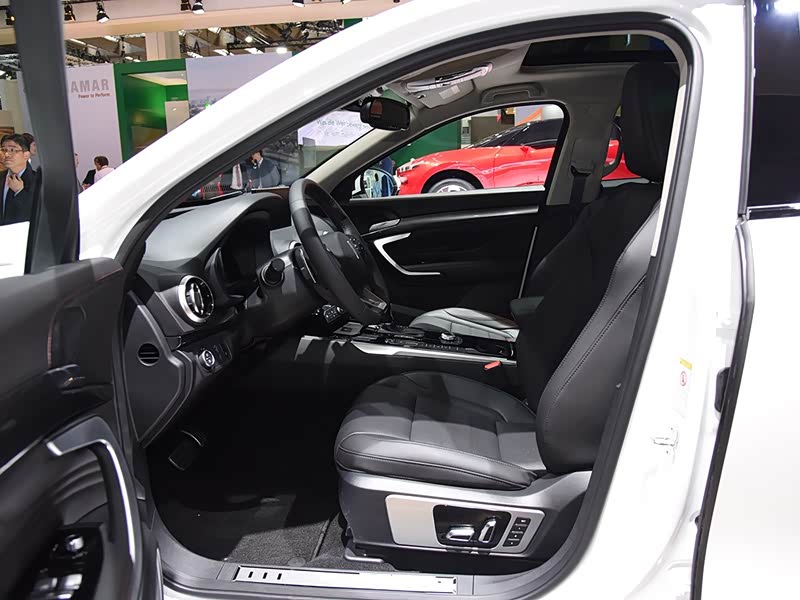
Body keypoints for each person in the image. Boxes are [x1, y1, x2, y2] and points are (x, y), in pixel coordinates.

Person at [0, 133, 39, 225]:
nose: (6, 154)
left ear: (26, 155)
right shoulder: (1, 177)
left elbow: (38, 212)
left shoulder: (38, 180)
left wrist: (20, 192)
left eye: (12, 150)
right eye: (4, 150)